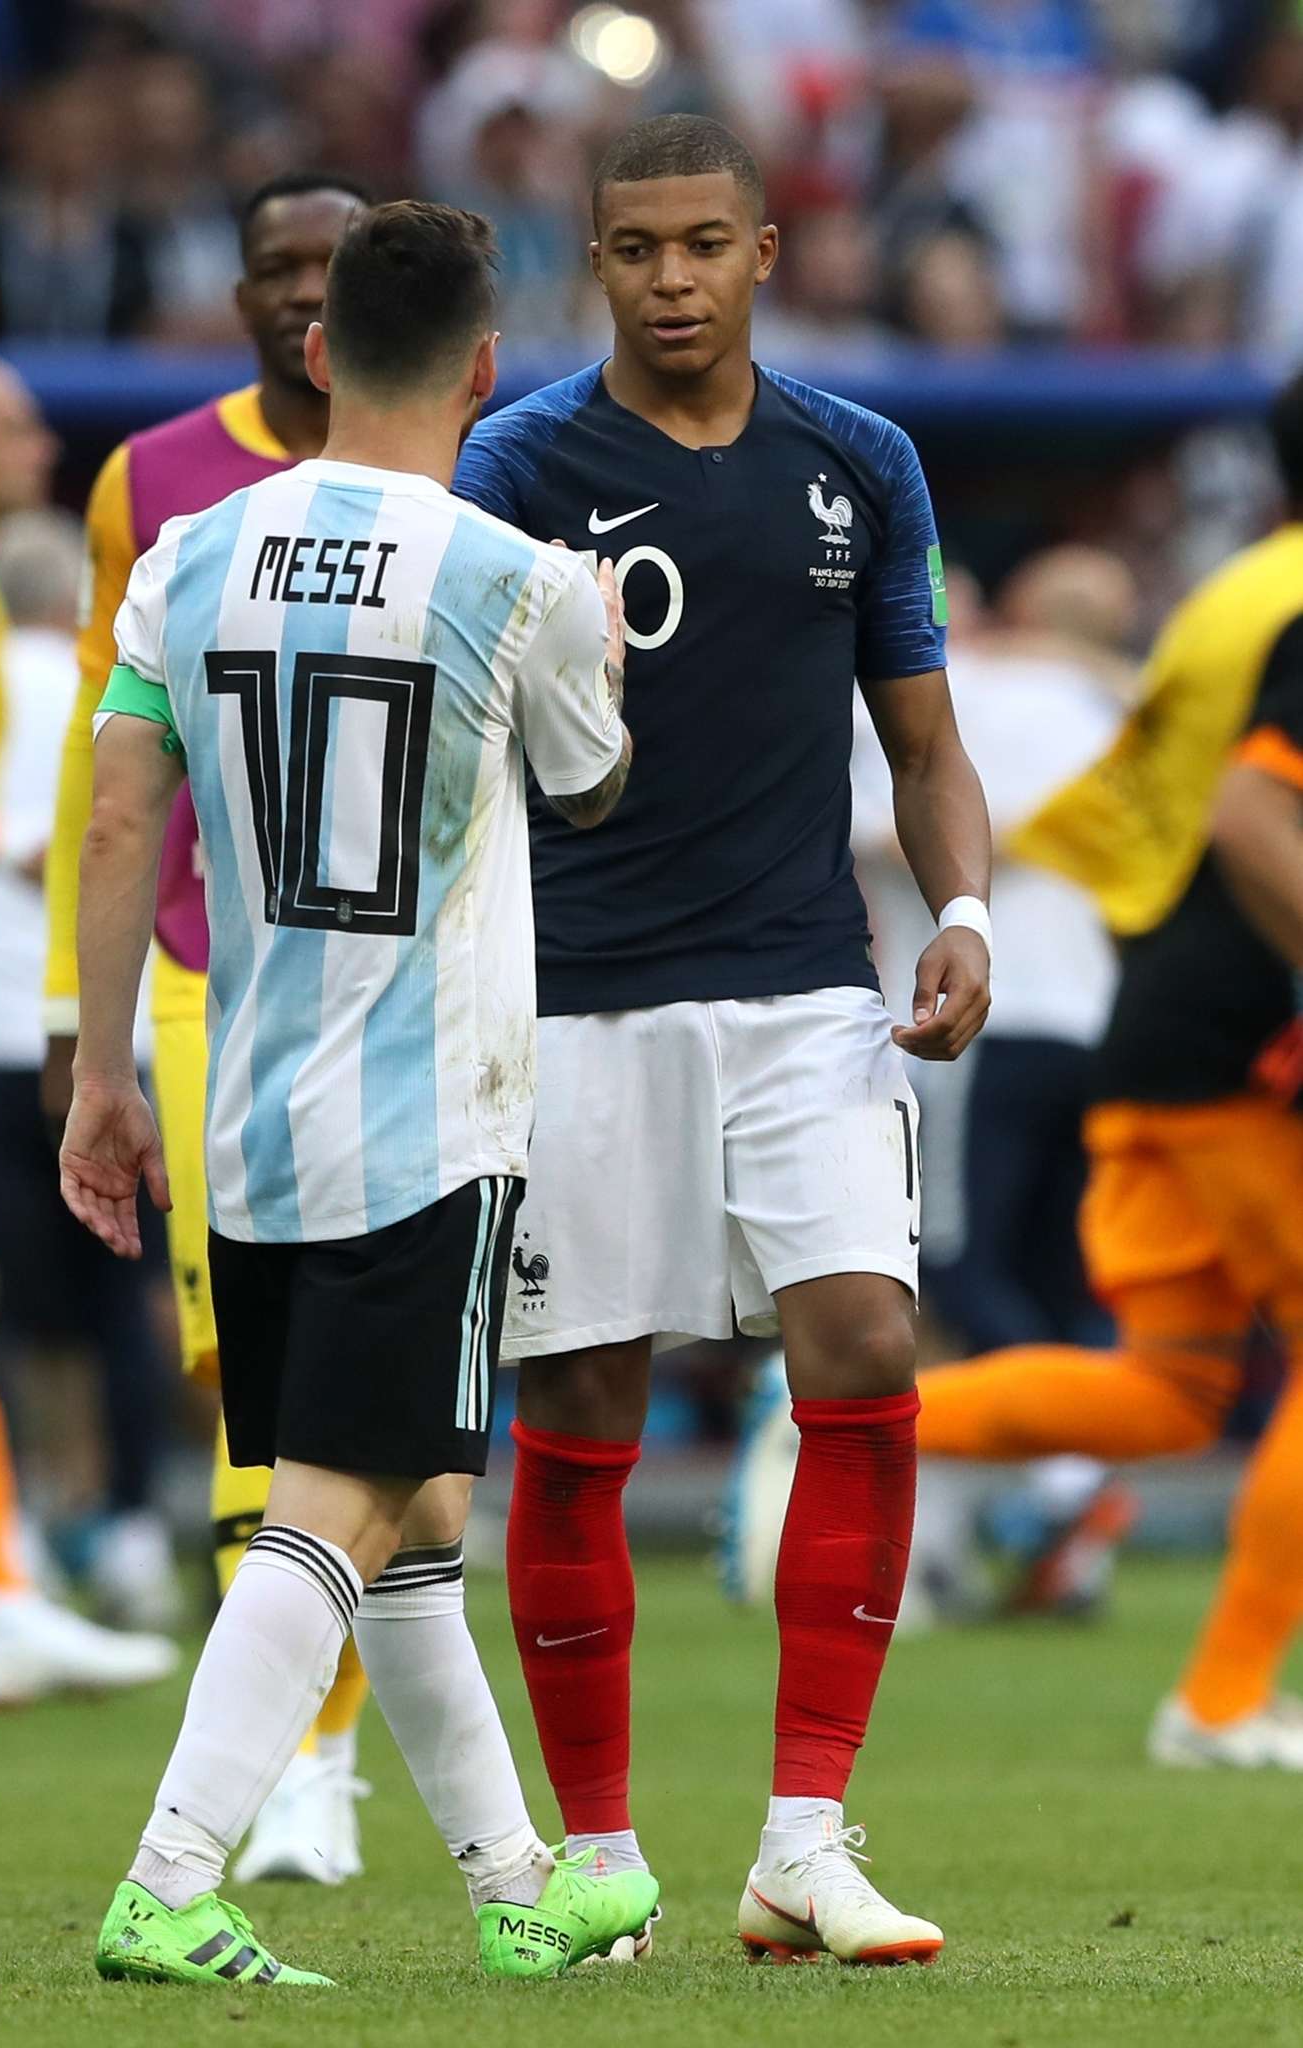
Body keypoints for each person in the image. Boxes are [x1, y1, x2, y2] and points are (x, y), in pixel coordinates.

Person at [65, 198, 655, 1990]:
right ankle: (169, 1877)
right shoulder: (514, 578)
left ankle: (511, 1889)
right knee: (336, 1509)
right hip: (427, 1120)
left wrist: (103, 1073)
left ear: (316, 353)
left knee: (414, 1519)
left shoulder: (192, 550)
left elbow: (111, 819)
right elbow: (592, 785)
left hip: (249, 1111)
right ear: (487, 368)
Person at [453, 113, 989, 1964]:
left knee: (861, 1344)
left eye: (701, 244)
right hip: (575, 1000)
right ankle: (596, 1859)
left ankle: (804, 1839)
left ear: (766, 248)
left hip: (803, 988)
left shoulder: (861, 462)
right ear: (587, 259)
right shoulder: (512, 466)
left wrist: (963, 917)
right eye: (631, 250)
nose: (669, 279)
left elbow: (920, 743)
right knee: (583, 1407)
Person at [42, 167, 385, 1886]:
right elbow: (102, 765)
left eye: (333, 264)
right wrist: (72, 1008)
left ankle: (315, 1766)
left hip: (397, 991)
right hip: (200, 973)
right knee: (234, 1368)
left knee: (359, 1388)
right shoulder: (153, 479)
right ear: (239, 290)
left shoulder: (462, 467)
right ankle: (306, 1760)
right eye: (271, 267)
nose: (299, 291)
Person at [884, 373, 1303, 1766]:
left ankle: (854, 1414)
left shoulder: (1233, 595)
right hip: (1226, 1041)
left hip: (1156, 1020)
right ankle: (1223, 1698)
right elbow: (1249, 812)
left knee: (1171, 1384)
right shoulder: (1276, 605)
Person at [0, 351, 177, 1706]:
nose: (34, 437)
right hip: (3, 1022)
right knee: (71, 1296)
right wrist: (4, 844)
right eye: (5, 423)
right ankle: (48, 1555)